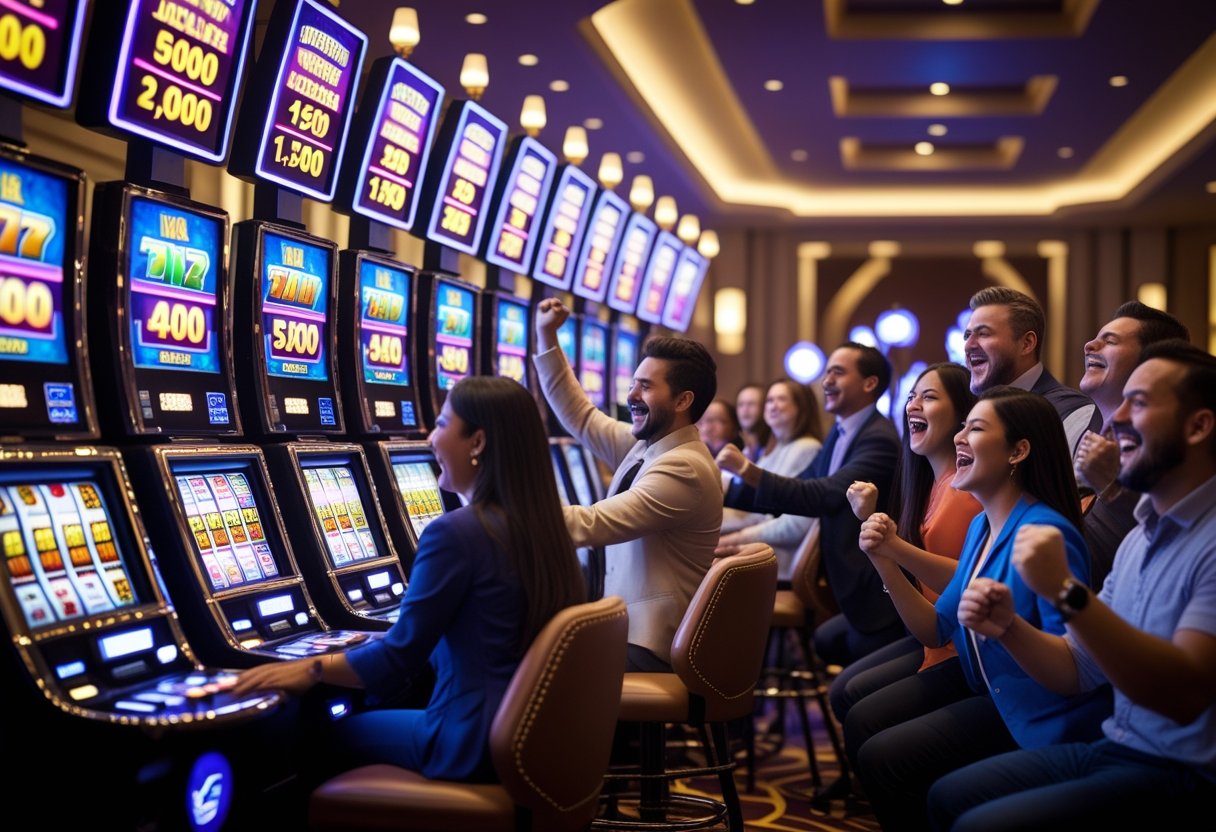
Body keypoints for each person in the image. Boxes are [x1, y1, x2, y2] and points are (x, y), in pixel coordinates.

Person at [231, 377, 586, 782]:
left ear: (478, 442)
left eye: (441, 423)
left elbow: (397, 660)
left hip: (468, 741)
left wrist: (312, 668)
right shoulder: (548, 530)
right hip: (531, 738)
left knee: (316, 737)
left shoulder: (458, 532)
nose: (431, 439)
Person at [930, 340, 1216, 830]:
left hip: (1186, 771)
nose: (1117, 417)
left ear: (1198, 426)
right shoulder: (1140, 538)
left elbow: (1184, 694)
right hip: (1119, 744)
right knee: (945, 796)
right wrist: (1008, 628)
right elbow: (1074, 670)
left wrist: (1066, 592)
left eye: (1139, 402)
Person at [851, 387, 1111, 832]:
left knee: (891, 760)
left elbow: (1072, 673)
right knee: (877, 747)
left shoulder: (1047, 534)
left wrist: (1005, 627)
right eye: (963, 426)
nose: (958, 438)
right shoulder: (981, 525)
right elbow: (934, 629)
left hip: (1040, 717)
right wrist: (884, 560)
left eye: (976, 428)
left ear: (1018, 451)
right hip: (995, 694)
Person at [533, 297, 722, 672]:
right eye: (634, 383)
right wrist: (546, 336)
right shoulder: (648, 447)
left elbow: (588, 525)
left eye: (646, 387)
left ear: (683, 399)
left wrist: (496, 502)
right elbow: (582, 417)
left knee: (530, 662)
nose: (631, 395)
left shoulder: (684, 468)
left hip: (649, 645)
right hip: (626, 628)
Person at [717, 343, 902, 667]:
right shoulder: (841, 431)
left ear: (869, 383)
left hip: (873, 595)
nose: (826, 380)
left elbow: (825, 494)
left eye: (838, 372)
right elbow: (799, 486)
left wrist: (747, 470)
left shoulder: (879, 438)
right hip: (845, 585)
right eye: (826, 371)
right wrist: (723, 489)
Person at [829, 363, 981, 746]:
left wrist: (887, 544)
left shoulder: (963, 493)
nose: (913, 404)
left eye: (928, 397)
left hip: (961, 646)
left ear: (963, 414)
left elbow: (967, 580)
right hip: (933, 633)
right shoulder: (932, 485)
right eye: (912, 395)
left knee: (858, 706)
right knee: (846, 691)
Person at [1074, 301, 1190, 589]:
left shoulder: (1169, 450)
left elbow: (1169, 548)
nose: (1089, 345)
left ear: (1151, 364)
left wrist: (1110, 488)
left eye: (1109, 341)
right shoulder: (1081, 430)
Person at [964, 286, 1101, 455]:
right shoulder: (968, 414)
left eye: (983, 334)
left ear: (1027, 343)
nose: (968, 345)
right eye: (967, 335)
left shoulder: (1072, 412)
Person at [719, 378, 824, 578]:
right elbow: (759, 513)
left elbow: (790, 523)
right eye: (769, 400)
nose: (773, 406)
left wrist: (735, 538)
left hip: (778, 559)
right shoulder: (776, 448)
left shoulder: (806, 447)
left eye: (781, 399)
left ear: (800, 407)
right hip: (765, 551)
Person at [735, 382, 774, 463]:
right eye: (741, 404)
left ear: (764, 407)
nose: (745, 409)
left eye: (751, 404)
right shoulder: (732, 446)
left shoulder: (774, 446)